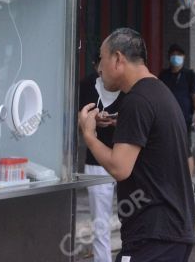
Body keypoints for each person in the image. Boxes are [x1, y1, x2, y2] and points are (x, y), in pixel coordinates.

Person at [78, 28, 195, 262]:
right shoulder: (159, 92)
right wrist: (116, 123)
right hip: (172, 232)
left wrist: (88, 135)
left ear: (118, 59)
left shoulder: (137, 100)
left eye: (102, 59)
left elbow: (120, 167)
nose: (99, 69)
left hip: (153, 236)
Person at [78, 54, 125, 262]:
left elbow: (136, 116)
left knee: (132, 217)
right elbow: (80, 118)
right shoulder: (88, 84)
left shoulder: (124, 85)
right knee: (101, 222)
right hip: (96, 161)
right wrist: (92, 120)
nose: (102, 71)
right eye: (99, 66)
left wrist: (116, 122)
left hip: (124, 156)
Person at [158, 44, 195, 176]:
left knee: (185, 149)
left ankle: (188, 182)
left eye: (179, 54)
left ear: (183, 57)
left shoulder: (190, 75)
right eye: (173, 54)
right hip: (165, 119)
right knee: (166, 148)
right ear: (169, 57)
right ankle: (169, 178)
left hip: (184, 119)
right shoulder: (163, 75)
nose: (176, 57)